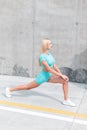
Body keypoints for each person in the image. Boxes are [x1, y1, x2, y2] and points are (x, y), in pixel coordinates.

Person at [5, 39, 76, 107]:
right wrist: (60, 75)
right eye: (50, 43)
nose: (52, 45)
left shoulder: (49, 54)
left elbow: (54, 65)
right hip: (43, 77)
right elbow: (48, 69)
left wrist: (61, 75)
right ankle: (9, 90)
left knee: (65, 80)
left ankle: (66, 100)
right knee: (27, 87)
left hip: (49, 76)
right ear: (46, 45)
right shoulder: (42, 57)